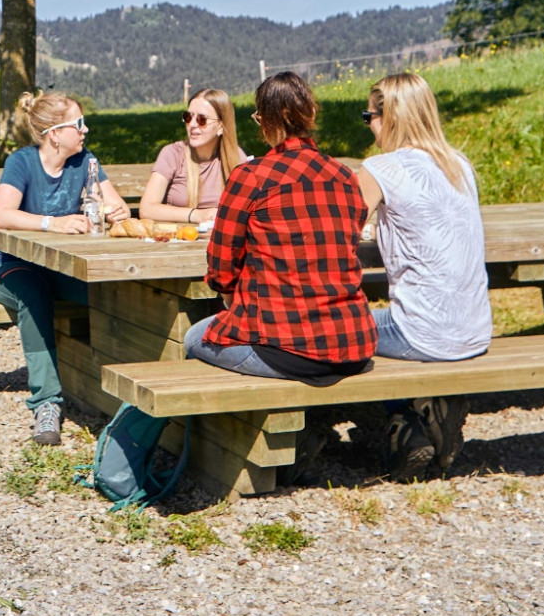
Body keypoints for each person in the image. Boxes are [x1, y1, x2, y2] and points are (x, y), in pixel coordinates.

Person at [182, 71, 376, 387]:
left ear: (264, 122)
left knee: (193, 337)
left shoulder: (252, 176)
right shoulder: (344, 177)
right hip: (353, 343)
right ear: (310, 114)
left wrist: (232, 300)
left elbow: (221, 267)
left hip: (284, 346)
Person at [352, 71, 492, 480]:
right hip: (475, 329)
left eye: (369, 117)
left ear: (389, 117)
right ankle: (431, 408)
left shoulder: (380, 168)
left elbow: (337, 233)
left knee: (340, 330)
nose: (369, 126)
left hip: (422, 332)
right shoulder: (458, 164)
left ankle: (406, 424)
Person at [0, 90, 131, 446]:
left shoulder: (86, 161)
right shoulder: (22, 162)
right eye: (78, 124)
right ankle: (46, 403)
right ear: (54, 134)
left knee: (114, 293)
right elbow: (1, 215)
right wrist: (53, 223)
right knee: (34, 295)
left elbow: (118, 206)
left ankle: (125, 390)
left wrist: (117, 212)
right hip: (12, 266)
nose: (85, 130)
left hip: (65, 269)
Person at [138, 88, 248, 224]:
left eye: (202, 119)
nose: (192, 125)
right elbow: (146, 209)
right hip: (179, 235)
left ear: (220, 126)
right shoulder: (173, 154)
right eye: (188, 117)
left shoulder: (235, 157)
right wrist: (197, 215)